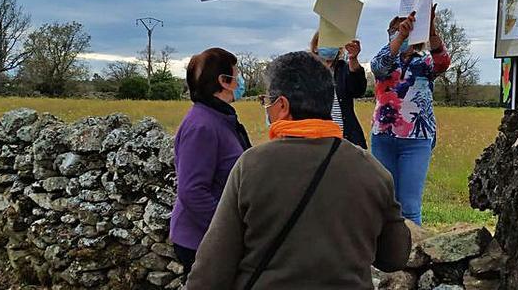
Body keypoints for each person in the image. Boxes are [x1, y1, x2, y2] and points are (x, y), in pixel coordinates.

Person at [185, 52, 411, 289]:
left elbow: (211, 271)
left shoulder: (251, 166)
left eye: (267, 101)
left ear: (282, 106)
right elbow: (394, 257)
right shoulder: (372, 171)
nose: (267, 109)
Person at [169, 47, 252, 278]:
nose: (240, 79)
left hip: (210, 238)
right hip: (201, 242)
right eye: (237, 73)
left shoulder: (219, 118)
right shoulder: (201, 126)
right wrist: (229, 231)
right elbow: (192, 190)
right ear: (224, 81)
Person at [370, 5, 450, 225]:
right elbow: (378, 67)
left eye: (406, 30)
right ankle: (387, 252)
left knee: (410, 205)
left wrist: (430, 27)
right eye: (396, 30)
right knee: (386, 200)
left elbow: (442, 62)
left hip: (417, 138)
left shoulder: (424, 60)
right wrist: (400, 37)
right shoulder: (385, 56)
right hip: (384, 136)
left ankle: (413, 251)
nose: (401, 33)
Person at [310, 32, 368, 148]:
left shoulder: (344, 69)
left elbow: (358, 90)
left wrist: (353, 59)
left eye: (333, 42)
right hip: (318, 140)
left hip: (345, 139)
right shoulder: (307, 72)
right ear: (316, 47)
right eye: (325, 42)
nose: (329, 46)